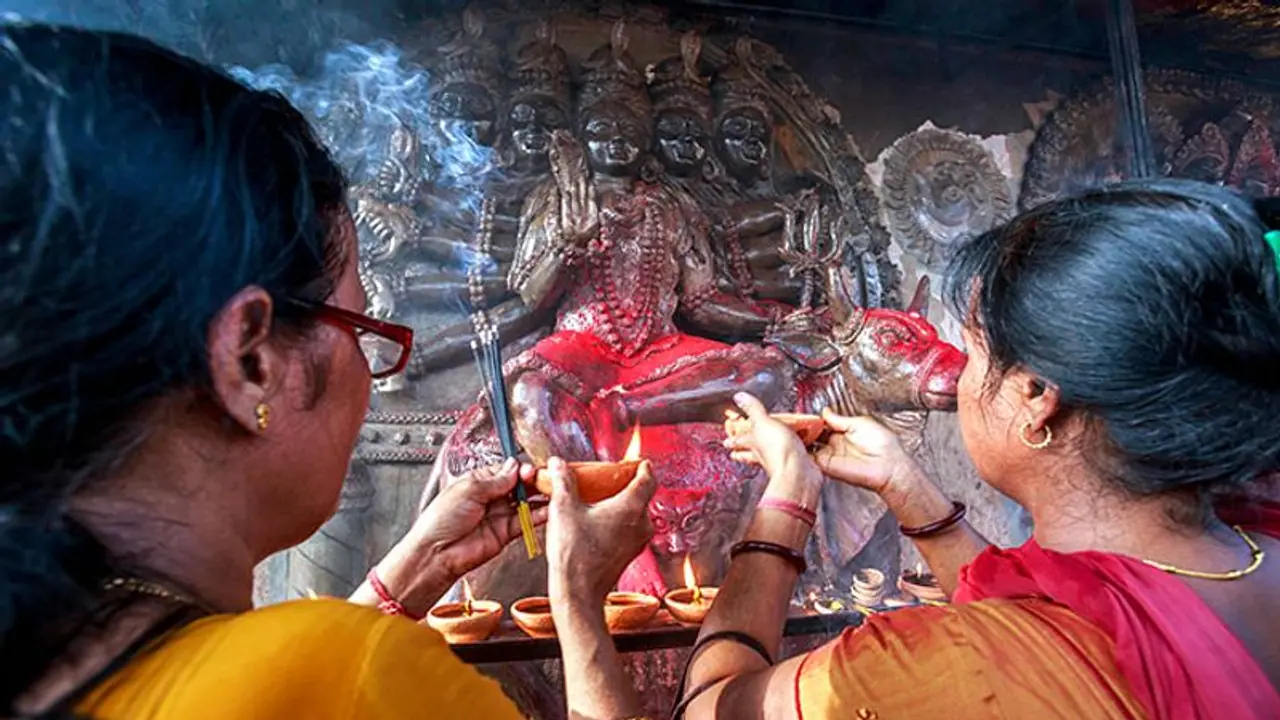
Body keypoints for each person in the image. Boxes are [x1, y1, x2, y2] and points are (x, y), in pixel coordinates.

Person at [0, 22, 658, 719]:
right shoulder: (353, 677)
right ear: (251, 361)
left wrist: (414, 570)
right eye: (360, 328)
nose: (369, 369)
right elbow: (327, 684)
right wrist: (579, 596)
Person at [552, 178, 1280, 719]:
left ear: (1036, 397)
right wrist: (912, 493)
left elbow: (713, 706)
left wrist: (582, 597)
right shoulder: (1257, 556)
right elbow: (1067, 612)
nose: (960, 381)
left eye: (974, 352)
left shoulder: (938, 669)